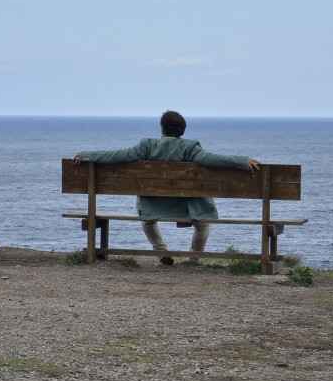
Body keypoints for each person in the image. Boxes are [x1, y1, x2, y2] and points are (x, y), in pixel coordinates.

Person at [73, 110, 260, 265]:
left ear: (162, 128)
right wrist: (241, 161)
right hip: (185, 205)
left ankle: (162, 252)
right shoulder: (190, 147)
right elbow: (210, 159)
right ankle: (194, 259)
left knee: (147, 221)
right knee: (202, 225)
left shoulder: (147, 146)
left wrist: (87, 155)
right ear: (182, 131)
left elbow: (117, 156)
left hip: (155, 203)